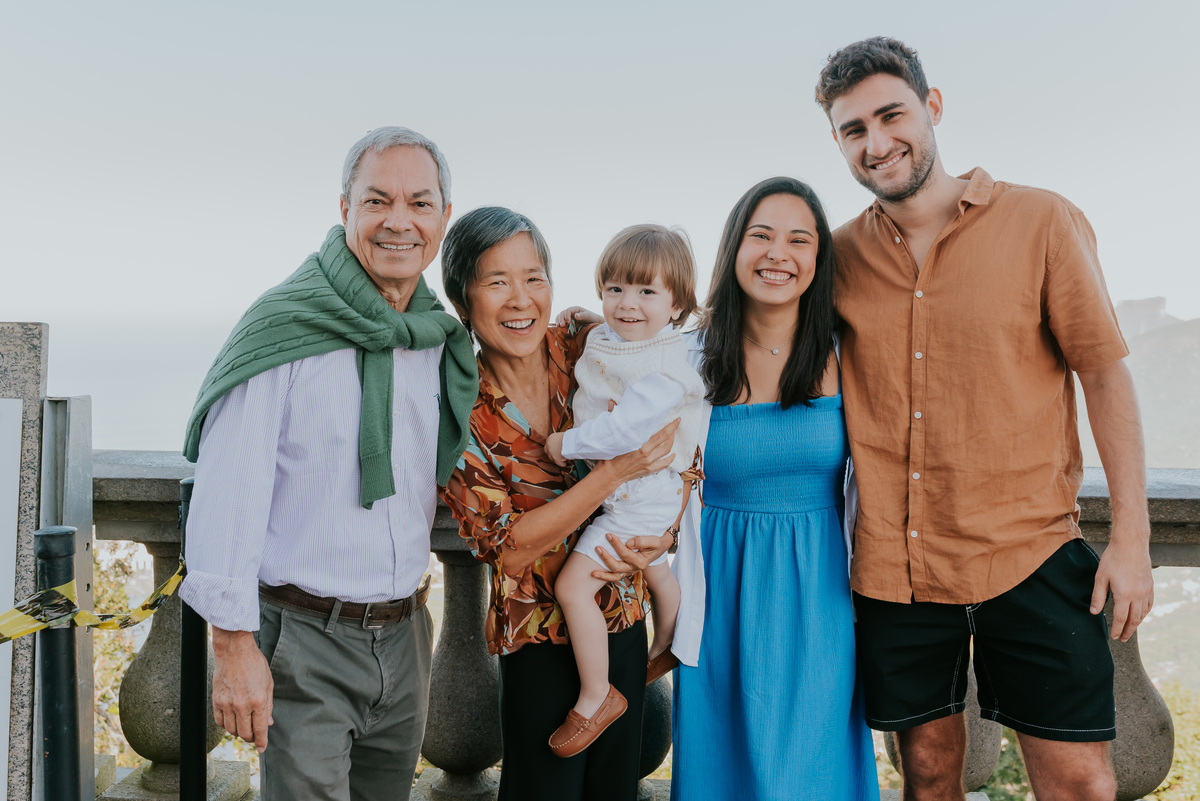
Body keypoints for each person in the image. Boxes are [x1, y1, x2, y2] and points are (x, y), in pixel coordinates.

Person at [816, 37, 1154, 801]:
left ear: (932, 108)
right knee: (928, 775)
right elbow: (739, 328)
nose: (877, 143)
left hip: (1030, 554)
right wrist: (603, 332)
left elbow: (1102, 374)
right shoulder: (833, 257)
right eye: (853, 129)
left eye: (890, 115)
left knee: (1081, 782)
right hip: (894, 572)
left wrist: (1130, 537)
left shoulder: (1041, 220)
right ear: (838, 142)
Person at [179, 126, 478, 800]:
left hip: (404, 639)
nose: (399, 220)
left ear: (442, 219)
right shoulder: (283, 327)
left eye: (420, 203)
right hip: (302, 644)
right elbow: (229, 492)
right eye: (377, 200)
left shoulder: (435, 337)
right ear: (344, 208)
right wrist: (233, 648)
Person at [438, 206, 680, 801]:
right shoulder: (460, 413)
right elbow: (510, 550)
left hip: (623, 612)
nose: (521, 298)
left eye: (534, 277)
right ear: (463, 299)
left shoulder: (585, 347)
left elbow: (677, 417)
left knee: (614, 790)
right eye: (497, 282)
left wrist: (665, 531)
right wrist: (617, 471)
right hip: (536, 637)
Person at [669, 177, 880, 801]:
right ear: (734, 248)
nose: (777, 254)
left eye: (798, 239)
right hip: (717, 594)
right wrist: (590, 325)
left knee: (814, 772)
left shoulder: (849, 356)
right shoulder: (687, 359)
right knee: (721, 770)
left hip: (821, 595)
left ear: (819, 258)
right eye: (760, 235)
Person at [543, 224, 704, 757]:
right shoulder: (624, 338)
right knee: (654, 569)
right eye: (614, 289)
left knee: (572, 588)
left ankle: (595, 696)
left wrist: (564, 444)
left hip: (639, 494)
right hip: (638, 493)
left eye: (645, 292)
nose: (626, 304)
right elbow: (614, 341)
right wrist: (590, 318)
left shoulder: (665, 370)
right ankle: (671, 641)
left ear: (677, 304)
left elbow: (622, 431)